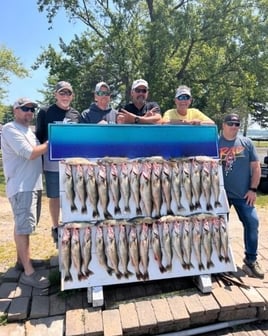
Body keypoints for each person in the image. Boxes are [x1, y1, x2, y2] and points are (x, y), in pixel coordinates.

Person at [1, 98, 50, 288]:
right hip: (22, 187)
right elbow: (30, 153)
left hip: (33, 185)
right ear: (15, 110)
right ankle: (28, 274)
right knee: (23, 228)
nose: (29, 112)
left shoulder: (28, 131)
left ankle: (22, 261)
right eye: (25, 108)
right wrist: (53, 140)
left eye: (32, 109)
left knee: (24, 226)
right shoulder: (10, 129)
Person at [219, 113, 264, 279]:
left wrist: (253, 189)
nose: (233, 126)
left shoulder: (247, 143)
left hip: (243, 194)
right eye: (230, 123)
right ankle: (220, 260)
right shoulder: (215, 143)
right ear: (223, 125)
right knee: (220, 229)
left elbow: (256, 167)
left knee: (252, 223)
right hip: (221, 195)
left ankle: (251, 260)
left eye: (237, 124)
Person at [36, 81, 80, 243]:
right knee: (54, 196)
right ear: (55, 94)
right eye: (62, 93)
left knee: (71, 194)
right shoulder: (45, 112)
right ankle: (55, 227)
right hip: (51, 163)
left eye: (68, 93)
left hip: (71, 164)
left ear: (72, 96)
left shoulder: (76, 114)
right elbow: (39, 137)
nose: (65, 96)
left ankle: (71, 223)